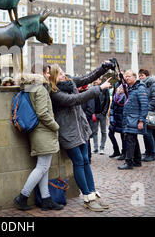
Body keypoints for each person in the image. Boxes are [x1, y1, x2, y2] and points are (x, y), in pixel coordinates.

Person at [49, 60, 115, 212]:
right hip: (68, 133)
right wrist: (99, 88)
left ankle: (92, 193)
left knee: (85, 161)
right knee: (78, 162)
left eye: (62, 71)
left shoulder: (70, 82)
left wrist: (103, 67)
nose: (63, 74)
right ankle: (87, 197)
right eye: (59, 73)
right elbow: (75, 99)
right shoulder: (55, 94)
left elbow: (88, 77)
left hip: (81, 130)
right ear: (53, 78)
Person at [13, 73, 64, 211]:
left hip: (37, 132)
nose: (48, 74)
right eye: (46, 71)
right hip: (44, 131)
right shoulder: (40, 89)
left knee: (44, 167)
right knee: (42, 167)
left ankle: (46, 199)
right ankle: (22, 197)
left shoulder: (29, 88)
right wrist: (55, 125)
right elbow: (42, 112)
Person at [118, 70, 148, 170]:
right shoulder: (129, 88)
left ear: (135, 77)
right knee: (132, 139)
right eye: (125, 77)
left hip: (135, 118)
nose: (127, 78)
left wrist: (141, 120)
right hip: (129, 118)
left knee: (130, 139)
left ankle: (128, 162)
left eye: (129, 76)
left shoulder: (140, 88)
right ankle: (137, 160)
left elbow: (144, 105)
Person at [138, 69, 155, 161]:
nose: (140, 77)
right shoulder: (141, 85)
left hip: (151, 111)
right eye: (139, 76)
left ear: (147, 76)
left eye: (142, 76)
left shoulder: (153, 83)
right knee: (147, 133)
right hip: (145, 111)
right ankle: (148, 151)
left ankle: (152, 152)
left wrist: (148, 108)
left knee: (149, 133)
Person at [89, 78, 110, 155]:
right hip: (94, 114)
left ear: (100, 81)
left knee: (103, 131)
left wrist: (104, 113)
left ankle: (102, 148)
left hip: (102, 114)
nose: (95, 80)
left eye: (97, 79)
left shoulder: (105, 90)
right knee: (94, 131)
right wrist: (92, 113)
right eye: (95, 79)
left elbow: (107, 101)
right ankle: (95, 148)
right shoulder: (91, 89)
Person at [108, 84, 126, 158]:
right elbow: (111, 108)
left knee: (123, 137)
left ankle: (124, 153)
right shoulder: (115, 96)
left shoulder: (125, 97)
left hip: (122, 119)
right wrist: (111, 118)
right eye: (119, 88)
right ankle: (116, 151)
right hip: (114, 119)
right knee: (110, 134)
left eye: (121, 88)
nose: (119, 89)